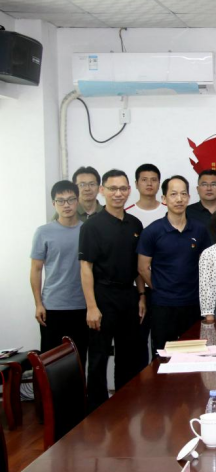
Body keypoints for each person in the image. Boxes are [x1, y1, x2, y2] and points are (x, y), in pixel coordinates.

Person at [79, 169, 146, 411]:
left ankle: (123, 406)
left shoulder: (135, 224)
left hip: (128, 295)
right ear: (102, 191)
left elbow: (138, 266)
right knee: (98, 356)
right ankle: (97, 409)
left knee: (128, 355)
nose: (118, 193)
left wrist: (141, 295)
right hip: (102, 296)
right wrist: (91, 307)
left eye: (122, 189)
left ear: (129, 190)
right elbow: (86, 267)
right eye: (112, 188)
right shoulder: (92, 226)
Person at [137, 176, 210, 353]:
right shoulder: (152, 231)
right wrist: (160, 287)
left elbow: (207, 264)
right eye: (173, 194)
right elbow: (142, 268)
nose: (179, 199)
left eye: (183, 194)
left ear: (189, 198)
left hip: (193, 303)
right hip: (163, 305)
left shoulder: (199, 229)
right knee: (163, 354)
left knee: (194, 353)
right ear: (164, 199)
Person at [31, 181, 88, 367]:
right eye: (61, 201)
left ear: (77, 201)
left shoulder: (87, 231)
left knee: (79, 361)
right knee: (51, 363)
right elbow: (36, 269)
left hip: (82, 306)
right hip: (53, 307)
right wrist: (38, 303)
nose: (66, 205)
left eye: (71, 199)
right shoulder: (43, 232)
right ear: (53, 203)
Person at [187, 169, 216, 243]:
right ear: (198, 189)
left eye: (214, 184)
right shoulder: (186, 212)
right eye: (204, 184)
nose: (209, 188)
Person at [126, 164, 166, 228]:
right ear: (136, 184)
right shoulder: (126, 213)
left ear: (159, 184)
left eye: (153, 180)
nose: (149, 183)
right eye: (144, 180)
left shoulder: (169, 211)